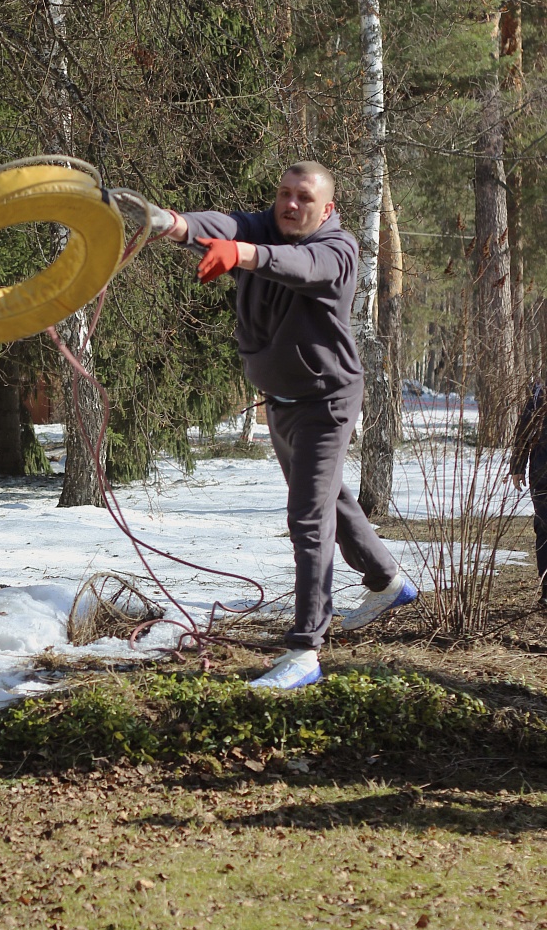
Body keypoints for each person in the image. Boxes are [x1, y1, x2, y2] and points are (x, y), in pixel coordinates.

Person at [149, 161, 417, 689]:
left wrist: (243, 255)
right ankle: (388, 580)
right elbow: (227, 226)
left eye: (304, 198)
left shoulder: (338, 250)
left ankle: (306, 651)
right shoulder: (265, 226)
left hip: (327, 401)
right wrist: (173, 224)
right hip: (281, 401)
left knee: (307, 517)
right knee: (329, 500)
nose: (290, 205)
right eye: (284, 194)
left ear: (329, 209)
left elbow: (300, 265)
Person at [510, 380, 547, 605]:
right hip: (542, 472)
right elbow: (524, 429)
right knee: (544, 527)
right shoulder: (538, 392)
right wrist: (517, 467)